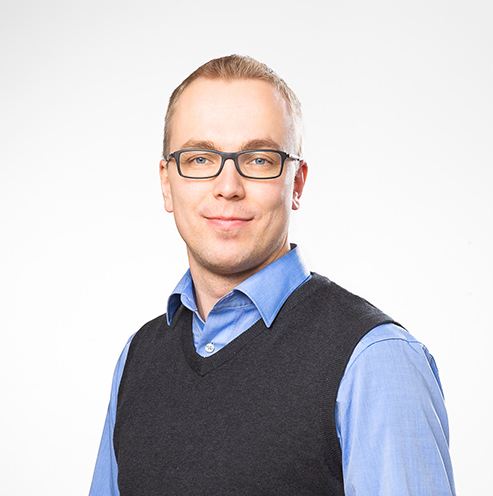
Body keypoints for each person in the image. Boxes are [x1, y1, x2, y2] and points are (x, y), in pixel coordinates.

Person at [89, 54, 456, 496]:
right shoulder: (138, 358)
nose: (228, 187)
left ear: (296, 183)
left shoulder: (375, 360)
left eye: (259, 160)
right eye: (200, 158)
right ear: (167, 183)